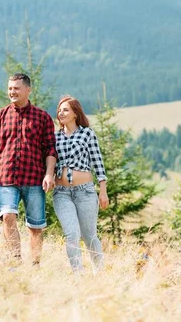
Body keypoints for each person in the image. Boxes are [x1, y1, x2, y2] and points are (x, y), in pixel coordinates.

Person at [0, 73, 57, 265]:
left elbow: (50, 150)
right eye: (10, 88)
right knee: (8, 216)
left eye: (16, 88)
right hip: (7, 179)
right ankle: (15, 261)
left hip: (35, 179)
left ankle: (35, 265)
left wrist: (49, 173)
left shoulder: (42, 117)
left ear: (28, 90)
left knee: (35, 227)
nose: (12, 92)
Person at [53, 95, 109, 273]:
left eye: (66, 109)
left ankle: (99, 273)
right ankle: (78, 275)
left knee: (90, 236)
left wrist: (103, 191)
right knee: (72, 234)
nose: (61, 113)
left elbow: (97, 162)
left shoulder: (87, 133)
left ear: (75, 113)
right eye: (59, 110)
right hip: (62, 193)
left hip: (85, 193)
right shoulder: (54, 137)